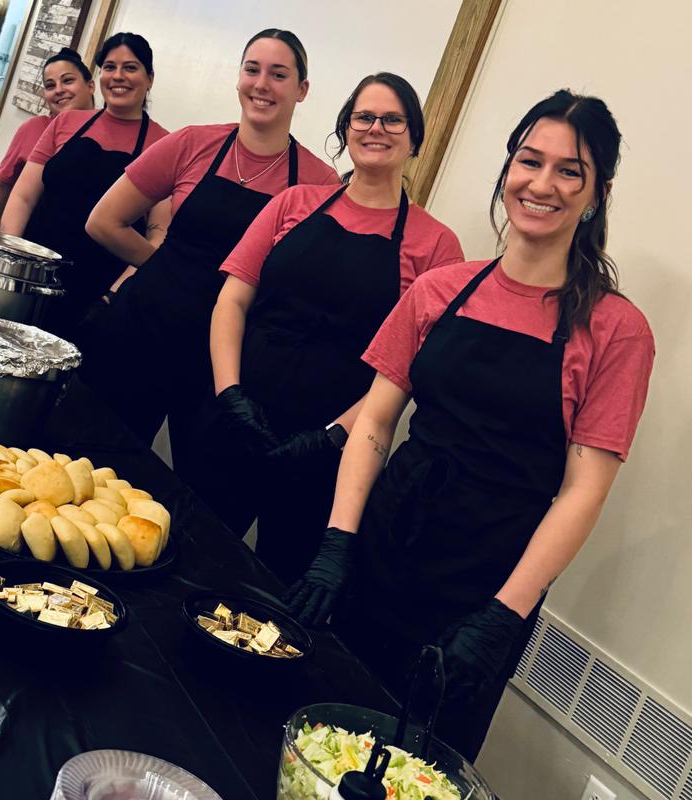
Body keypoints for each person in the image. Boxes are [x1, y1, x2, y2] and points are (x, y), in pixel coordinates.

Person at [286, 89, 655, 761]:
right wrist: (338, 542)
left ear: (597, 193)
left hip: (485, 586)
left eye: (569, 171)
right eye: (529, 161)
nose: (541, 184)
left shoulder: (615, 329)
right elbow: (375, 424)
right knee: (320, 735)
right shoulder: (440, 290)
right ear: (508, 168)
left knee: (414, 769)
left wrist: (502, 615)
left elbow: (583, 492)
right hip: (384, 548)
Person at [188, 73, 462, 582]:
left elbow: (407, 371)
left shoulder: (437, 246)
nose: (376, 128)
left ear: (414, 137)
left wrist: (334, 436)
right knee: (187, 558)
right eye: (364, 117)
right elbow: (232, 301)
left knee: (276, 591)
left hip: (327, 451)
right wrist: (229, 393)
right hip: (237, 418)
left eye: (393, 120)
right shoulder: (293, 203)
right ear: (345, 128)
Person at [82, 28, 339, 464]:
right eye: (252, 70)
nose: (261, 84)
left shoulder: (320, 184)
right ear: (239, 78)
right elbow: (103, 221)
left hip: (226, 365)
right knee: (91, 463)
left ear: (302, 90)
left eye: (278, 74)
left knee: (194, 487)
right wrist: (164, 267)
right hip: (141, 331)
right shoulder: (193, 144)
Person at [0, 32, 169, 337]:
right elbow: (23, 197)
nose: (118, 76)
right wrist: (12, 259)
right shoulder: (66, 123)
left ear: (150, 79)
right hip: (33, 273)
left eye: (130, 67)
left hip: (95, 294)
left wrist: (113, 295)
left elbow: (157, 237)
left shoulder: (164, 145)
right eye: (109, 67)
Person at [0, 48, 96, 227]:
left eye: (68, 80)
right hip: (26, 232)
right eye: (50, 85)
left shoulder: (106, 131)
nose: (59, 90)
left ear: (90, 86)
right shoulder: (33, 128)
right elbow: (0, 184)